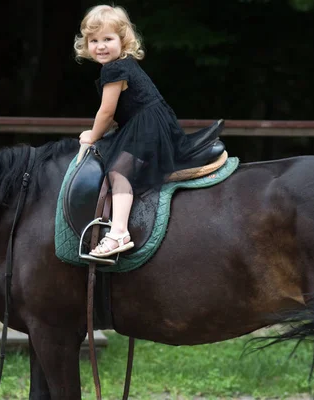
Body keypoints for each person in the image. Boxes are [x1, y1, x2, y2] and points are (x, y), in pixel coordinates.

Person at [74, 5, 193, 258]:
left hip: (147, 126)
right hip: (147, 122)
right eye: (94, 40)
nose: (101, 46)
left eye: (108, 39)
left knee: (119, 172)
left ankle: (118, 233)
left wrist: (93, 135)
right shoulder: (122, 65)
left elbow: (106, 112)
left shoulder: (115, 69)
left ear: (123, 40)